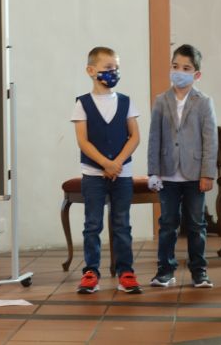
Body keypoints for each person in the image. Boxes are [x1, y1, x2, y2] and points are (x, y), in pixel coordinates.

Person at [147, 44, 218, 288]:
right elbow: (154, 138)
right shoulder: (161, 101)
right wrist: (153, 171)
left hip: (194, 174)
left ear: (196, 74)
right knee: (167, 223)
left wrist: (207, 173)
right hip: (167, 174)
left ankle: (199, 271)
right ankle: (165, 270)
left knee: (196, 224)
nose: (179, 72)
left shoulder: (204, 102)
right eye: (175, 66)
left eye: (186, 68)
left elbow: (210, 140)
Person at [72, 46, 141, 294]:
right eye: (108, 68)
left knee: (122, 223)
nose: (114, 72)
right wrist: (105, 163)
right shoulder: (82, 103)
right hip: (93, 175)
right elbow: (83, 141)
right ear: (91, 71)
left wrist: (117, 163)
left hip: (122, 174)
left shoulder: (126, 102)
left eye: (116, 68)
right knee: (92, 224)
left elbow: (134, 137)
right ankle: (91, 272)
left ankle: (126, 272)